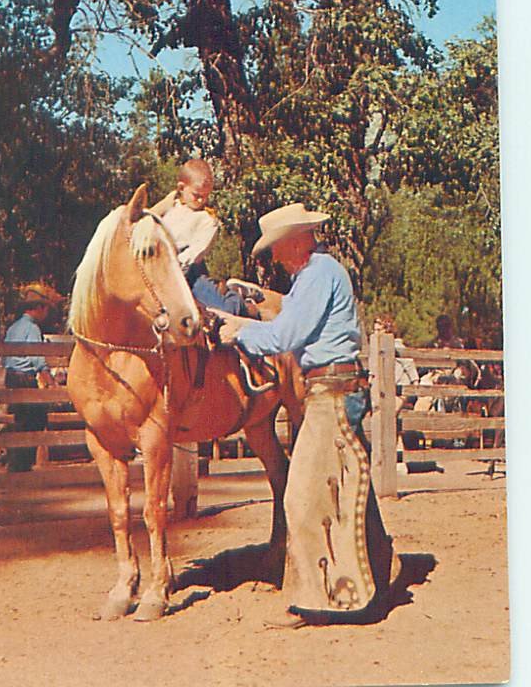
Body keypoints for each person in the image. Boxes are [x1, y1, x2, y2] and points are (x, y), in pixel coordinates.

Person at [216, 203, 398, 626]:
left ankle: (319, 602)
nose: (274, 256)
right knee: (347, 488)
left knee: (302, 498)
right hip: (331, 388)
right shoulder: (315, 276)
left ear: (297, 240)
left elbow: (286, 335)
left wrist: (239, 330)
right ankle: (379, 573)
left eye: (277, 247)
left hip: (330, 392)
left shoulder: (317, 274)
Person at [150, 160, 253, 316]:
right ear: (181, 188)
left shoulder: (207, 220)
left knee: (222, 312)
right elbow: (145, 223)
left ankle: (236, 295)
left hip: (189, 271)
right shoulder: (169, 208)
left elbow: (196, 253)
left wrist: (172, 271)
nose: (201, 201)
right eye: (196, 195)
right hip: (159, 266)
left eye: (205, 197)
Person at [3, 282, 63, 472]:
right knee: (35, 419)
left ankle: (16, 461)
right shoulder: (33, 329)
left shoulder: (13, 328)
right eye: (45, 309)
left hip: (11, 377)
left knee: (20, 420)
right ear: (38, 308)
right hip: (24, 378)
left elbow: (5, 357)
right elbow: (36, 358)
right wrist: (51, 382)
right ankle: (22, 464)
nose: (46, 314)